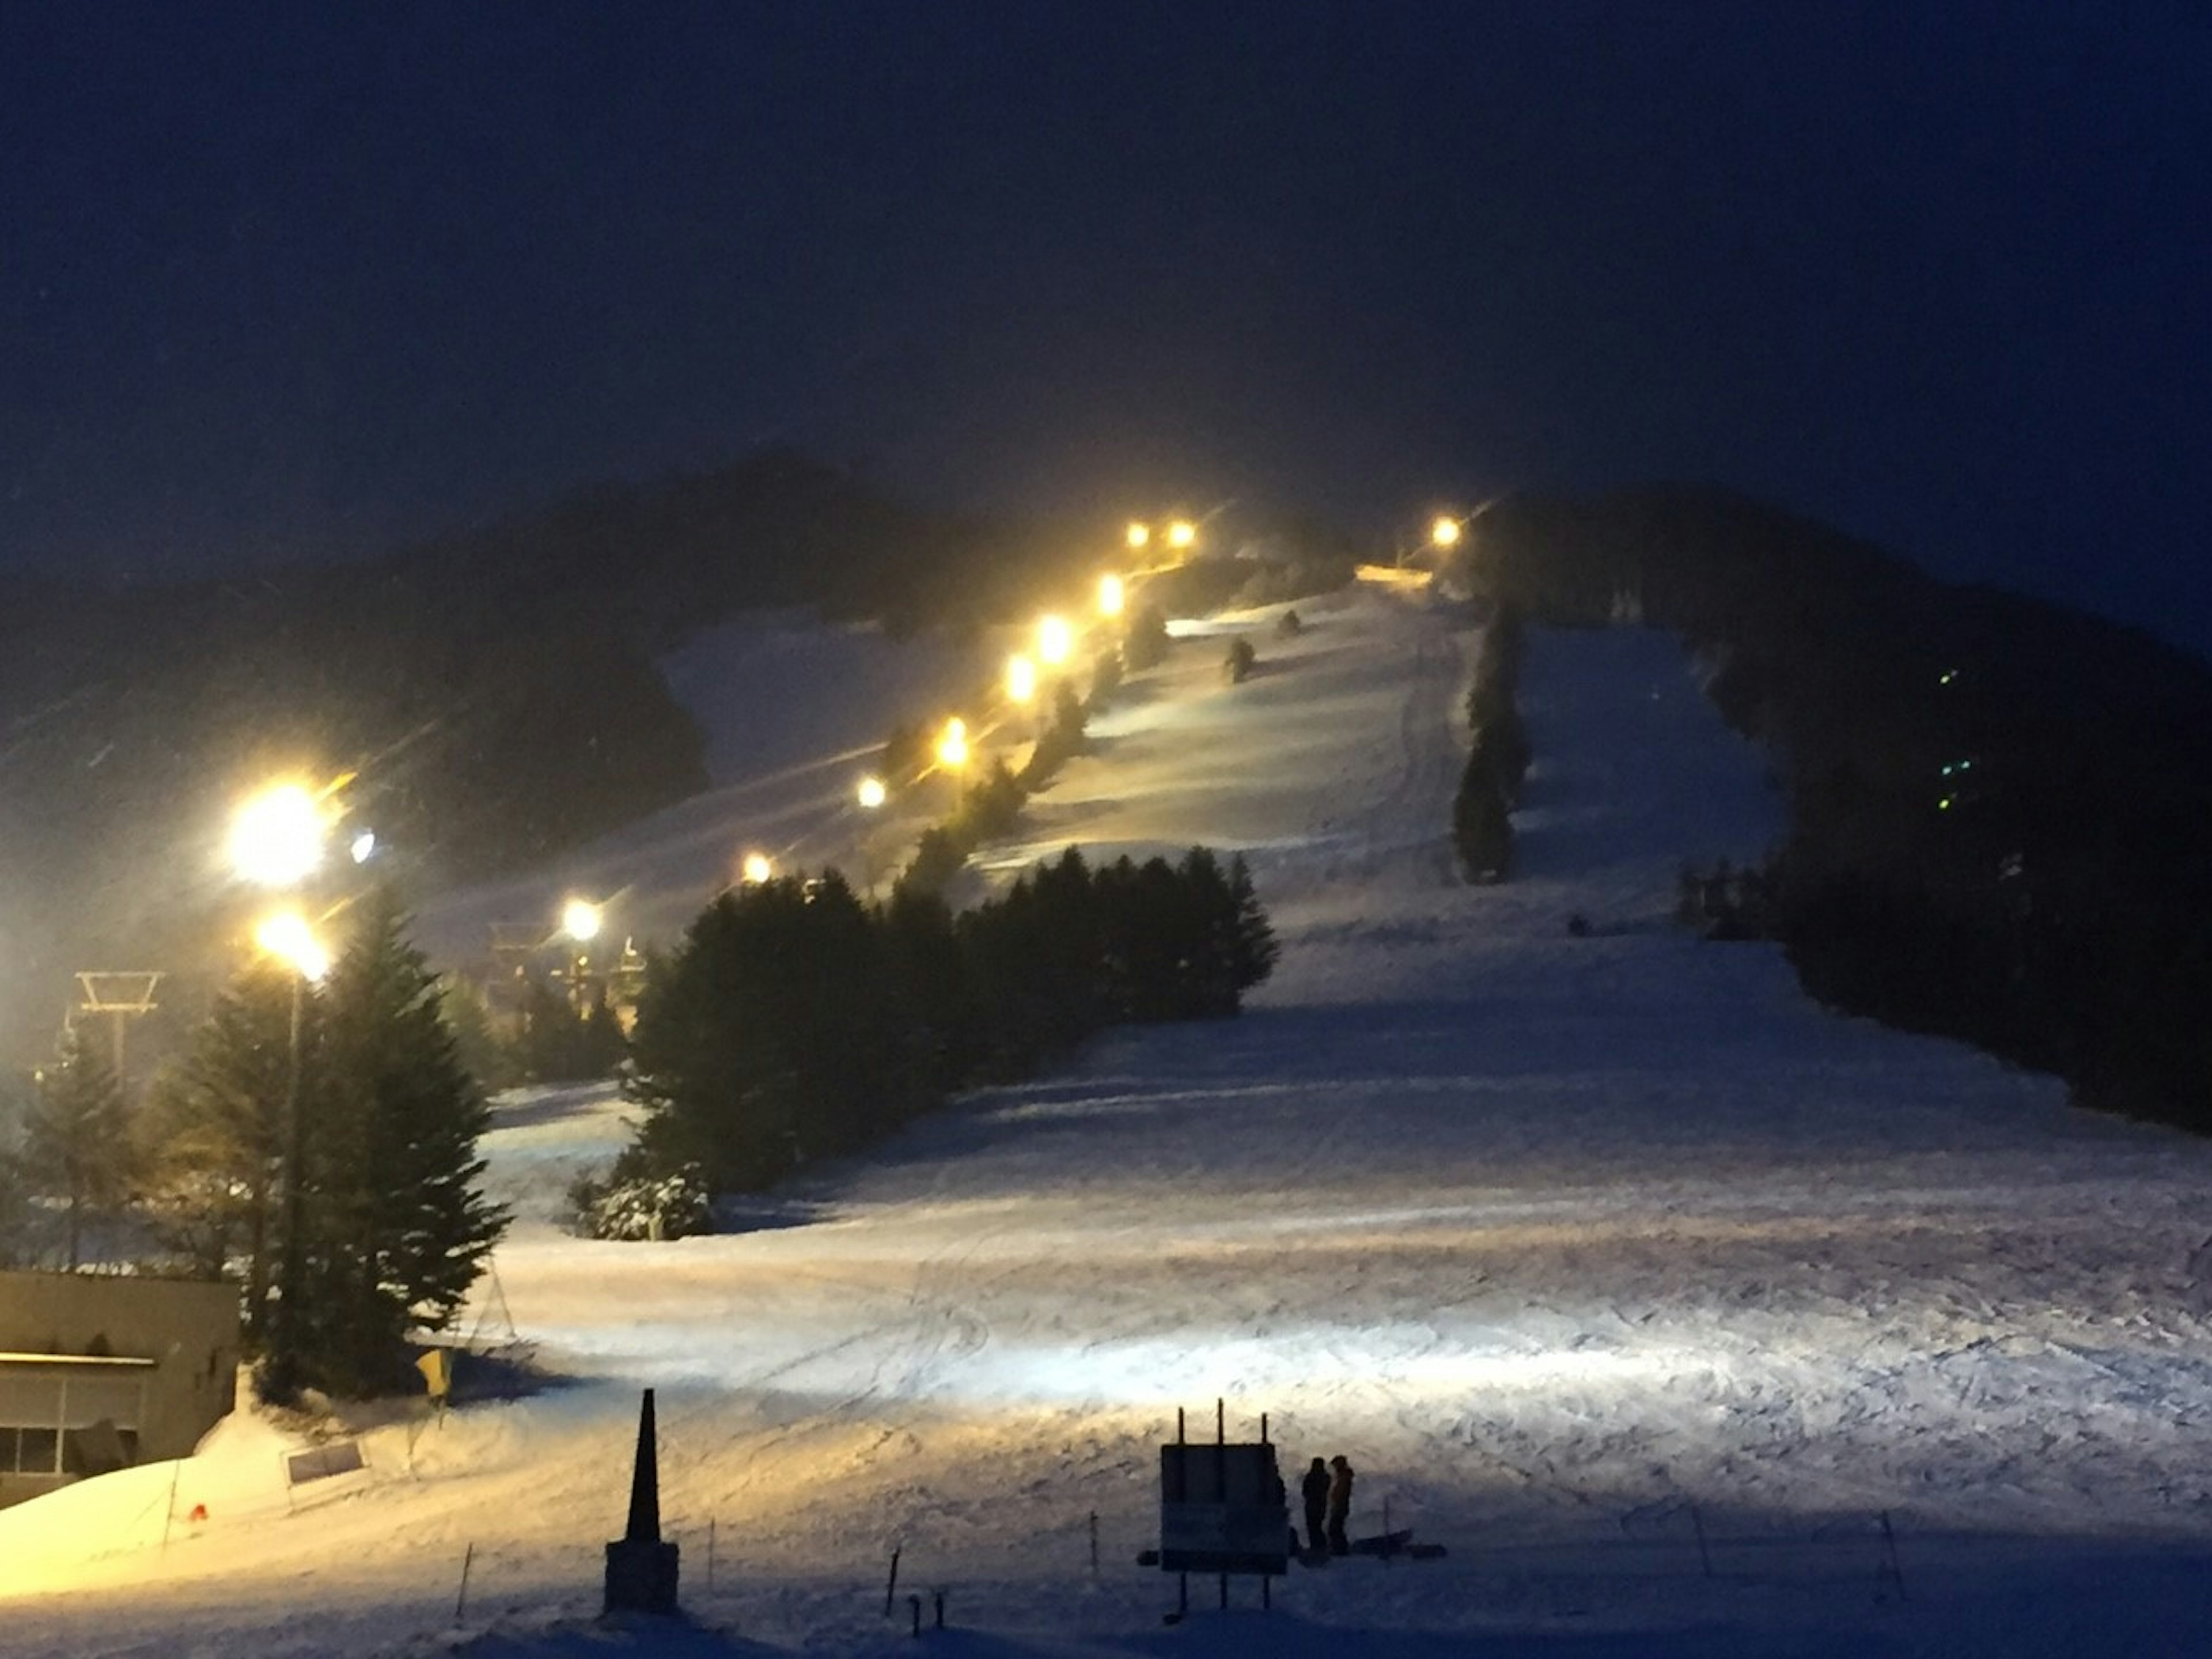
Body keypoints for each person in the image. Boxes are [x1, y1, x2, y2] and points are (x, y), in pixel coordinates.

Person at [1300, 1456, 1330, 1555]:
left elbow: (1305, 1491)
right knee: (1317, 1526)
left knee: (1312, 1527)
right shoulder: (1326, 1477)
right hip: (1321, 1505)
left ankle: (1316, 1547)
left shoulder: (1311, 1477)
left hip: (1312, 1505)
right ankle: (1320, 1546)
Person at [1325, 1454, 1354, 1555]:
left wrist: (1334, 1498)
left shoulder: (1344, 1477)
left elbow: (1341, 1492)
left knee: (1335, 1528)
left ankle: (1340, 1549)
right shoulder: (1343, 1476)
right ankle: (1339, 1548)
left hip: (1340, 1506)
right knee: (1336, 1528)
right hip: (1340, 1505)